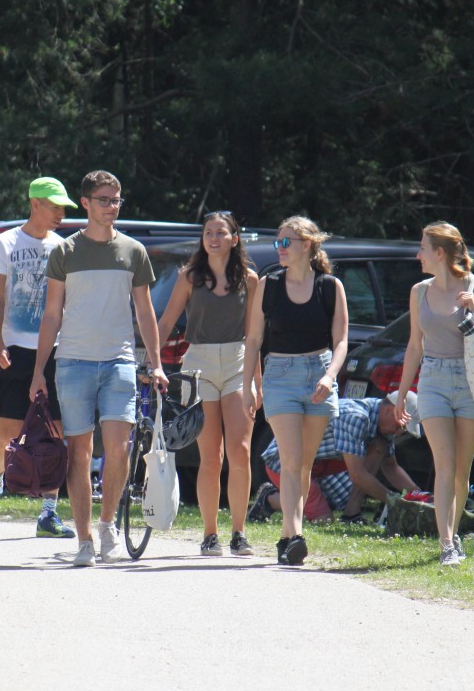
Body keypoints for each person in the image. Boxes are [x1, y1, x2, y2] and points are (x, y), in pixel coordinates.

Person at [30, 170, 169, 567]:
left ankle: (107, 525)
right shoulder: (65, 252)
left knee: (119, 447)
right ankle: (84, 539)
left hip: (119, 361)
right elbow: (52, 314)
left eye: (116, 200)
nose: (111, 207)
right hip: (72, 362)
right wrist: (39, 370)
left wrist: (156, 363)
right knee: (79, 452)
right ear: (86, 203)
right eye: (104, 200)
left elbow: (145, 311)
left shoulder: (133, 251)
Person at [395, 222, 474, 567]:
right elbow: (414, 346)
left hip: (471, 380)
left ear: (440, 253)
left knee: (461, 469)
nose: (418, 255)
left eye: (423, 248)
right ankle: (446, 543)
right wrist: (402, 394)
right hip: (433, 379)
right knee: (443, 464)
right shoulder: (419, 292)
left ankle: (453, 532)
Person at [0, 177, 77, 538]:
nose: (61, 214)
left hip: (56, 349)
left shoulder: (63, 247)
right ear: (35, 203)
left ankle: (49, 513)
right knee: (9, 431)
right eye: (55, 206)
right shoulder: (4, 243)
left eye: (63, 208)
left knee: (55, 433)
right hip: (16, 349)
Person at [242, 216, 348, 566]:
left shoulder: (330, 286)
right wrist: (248, 385)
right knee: (289, 460)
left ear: (308, 245)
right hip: (280, 375)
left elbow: (341, 341)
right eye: (278, 242)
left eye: (287, 242)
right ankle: (296, 533)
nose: (280, 248)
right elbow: (254, 339)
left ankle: (287, 537)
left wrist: (330, 376)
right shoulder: (269, 285)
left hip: (319, 373)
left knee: (304, 464)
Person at [156, 211, 259, 556]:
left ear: (234, 238)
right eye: (208, 233)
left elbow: (253, 338)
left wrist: (256, 384)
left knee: (240, 451)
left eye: (220, 232)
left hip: (237, 363)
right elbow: (166, 322)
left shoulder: (250, 280)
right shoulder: (189, 277)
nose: (213, 238)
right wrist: (152, 362)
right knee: (210, 456)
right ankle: (210, 533)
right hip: (198, 364)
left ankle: (239, 532)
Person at [250, 391, 423, 523]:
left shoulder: (383, 428)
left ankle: (351, 515)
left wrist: (420, 496)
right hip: (286, 462)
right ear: (390, 411)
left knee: (379, 447)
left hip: (319, 463)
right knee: (324, 519)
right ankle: (269, 499)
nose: (399, 433)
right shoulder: (356, 417)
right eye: (401, 427)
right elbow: (357, 474)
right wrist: (394, 501)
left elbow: (391, 468)